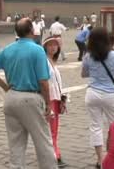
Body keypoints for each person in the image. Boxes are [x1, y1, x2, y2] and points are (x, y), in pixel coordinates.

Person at [0, 18, 56, 169]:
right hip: (31, 98)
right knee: (43, 142)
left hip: (11, 98)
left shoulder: (9, 49)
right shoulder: (37, 50)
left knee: (16, 144)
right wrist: (48, 104)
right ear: (32, 31)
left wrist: (5, 86)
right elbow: (43, 82)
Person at [81, 27, 114, 168]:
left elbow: (84, 74)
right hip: (110, 94)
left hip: (92, 93)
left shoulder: (88, 56)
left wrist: (96, 73)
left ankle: (100, 159)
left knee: (95, 126)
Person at [43, 37, 68, 168]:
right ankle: (55, 156)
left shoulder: (53, 61)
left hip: (56, 98)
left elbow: (58, 83)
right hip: (49, 98)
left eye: (55, 45)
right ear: (45, 47)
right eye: (50, 45)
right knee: (50, 129)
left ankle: (54, 153)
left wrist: (62, 98)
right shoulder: (44, 61)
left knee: (54, 129)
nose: (53, 47)